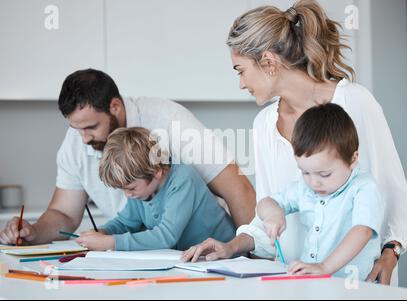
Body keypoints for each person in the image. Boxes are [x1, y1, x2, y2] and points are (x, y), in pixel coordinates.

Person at [181, 0, 407, 284]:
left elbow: (394, 191)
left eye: (240, 70)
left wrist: (392, 251)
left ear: (268, 62)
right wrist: (231, 246)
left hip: (359, 281)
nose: (240, 83)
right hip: (296, 282)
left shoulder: (354, 102)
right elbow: (269, 213)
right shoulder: (263, 124)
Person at [0, 69, 255, 246]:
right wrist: (32, 232)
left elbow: (238, 190)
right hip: (165, 257)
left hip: (208, 253)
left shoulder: (171, 123)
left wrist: (251, 255)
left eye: (90, 127)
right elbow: (63, 213)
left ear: (115, 107)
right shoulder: (78, 140)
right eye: (75, 129)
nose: (84, 139)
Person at [183, 103, 384, 280]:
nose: (314, 182)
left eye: (325, 174)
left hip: (354, 287)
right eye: (305, 172)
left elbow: (362, 231)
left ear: (353, 158)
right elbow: (266, 202)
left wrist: (324, 267)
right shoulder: (304, 188)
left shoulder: (364, 188)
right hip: (315, 284)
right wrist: (273, 213)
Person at [76, 127, 236, 251]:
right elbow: (126, 222)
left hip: (225, 259)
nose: (128, 194)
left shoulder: (182, 180)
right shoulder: (140, 192)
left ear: (156, 172)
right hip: (191, 260)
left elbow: (166, 236)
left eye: (131, 188)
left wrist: (110, 242)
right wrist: (103, 232)